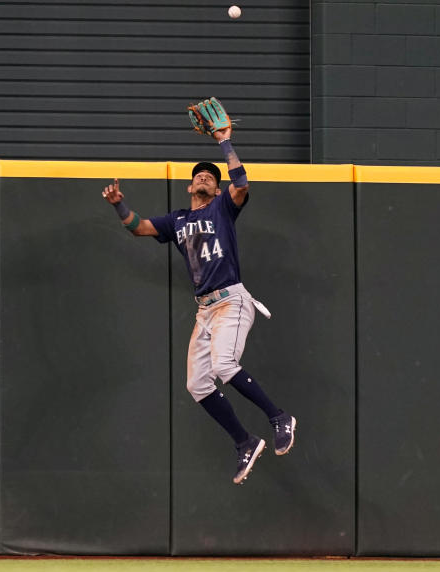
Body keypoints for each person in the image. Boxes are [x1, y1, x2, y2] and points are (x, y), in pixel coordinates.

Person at [101, 98, 296, 485]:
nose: (205, 176)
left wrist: (224, 143)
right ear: (191, 184)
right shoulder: (177, 220)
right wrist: (120, 206)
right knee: (197, 384)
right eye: (200, 175)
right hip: (205, 311)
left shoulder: (223, 206)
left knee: (225, 366)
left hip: (231, 301)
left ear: (216, 185)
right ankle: (244, 441)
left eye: (211, 175)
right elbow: (137, 227)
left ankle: (280, 417)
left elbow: (241, 183)